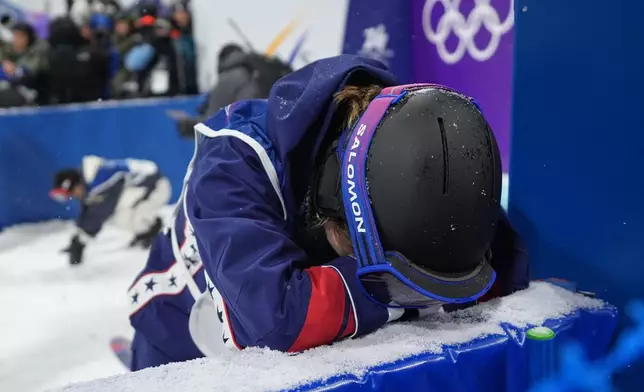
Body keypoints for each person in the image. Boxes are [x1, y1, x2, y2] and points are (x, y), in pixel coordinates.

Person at [127, 55, 529, 370]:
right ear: (335, 200)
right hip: (177, 334)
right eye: (362, 248)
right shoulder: (233, 161)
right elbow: (278, 318)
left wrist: (416, 279)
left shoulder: (412, 139)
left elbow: (499, 267)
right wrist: (407, 289)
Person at [50, 155, 172, 266]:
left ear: (75, 185)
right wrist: (78, 237)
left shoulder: (100, 182)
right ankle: (147, 228)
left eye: (70, 193)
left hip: (157, 188)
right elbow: (89, 210)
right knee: (115, 214)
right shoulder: (89, 180)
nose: (72, 197)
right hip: (147, 186)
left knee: (119, 217)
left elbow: (98, 213)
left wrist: (80, 241)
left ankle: (153, 228)